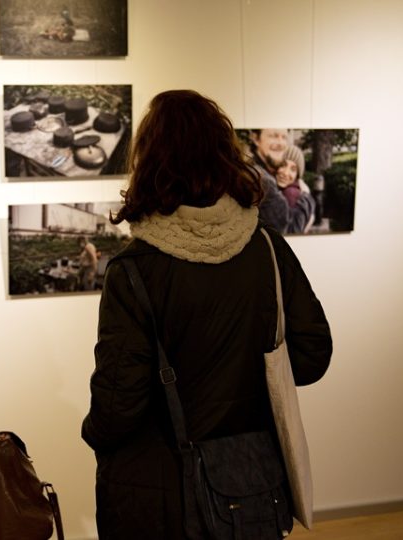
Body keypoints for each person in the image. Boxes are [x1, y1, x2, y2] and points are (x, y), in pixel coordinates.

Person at [81, 90, 332, 538]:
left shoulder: (135, 270)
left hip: (161, 498)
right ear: (225, 154)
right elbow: (312, 356)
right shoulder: (267, 248)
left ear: (148, 161)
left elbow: (118, 406)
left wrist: (93, 432)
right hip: (249, 487)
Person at [248, 129, 316, 234]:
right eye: (273, 136)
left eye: (284, 137)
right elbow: (289, 230)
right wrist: (307, 198)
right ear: (256, 139)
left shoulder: (290, 192)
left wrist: (306, 198)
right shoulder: (265, 180)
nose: (280, 142)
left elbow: (290, 230)